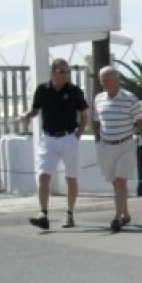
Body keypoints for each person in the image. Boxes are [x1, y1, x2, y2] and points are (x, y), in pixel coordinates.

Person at [21, 58, 90, 230]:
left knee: (71, 177)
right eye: (62, 72)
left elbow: (84, 115)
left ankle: (69, 214)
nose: (66, 75)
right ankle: (43, 213)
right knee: (43, 175)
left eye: (68, 72)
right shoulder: (43, 90)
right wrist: (27, 115)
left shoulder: (74, 91)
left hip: (68, 137)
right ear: (53, 73)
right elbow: (36, 110)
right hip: (49, 138)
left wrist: (79, 133)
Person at [92, 66, 142, 232]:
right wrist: (98, 140)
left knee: (120, 180)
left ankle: (117, 217)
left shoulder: (130, 99)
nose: (103, 83)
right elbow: (97, 120)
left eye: (107, 80)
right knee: (114, 181)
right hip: (106, 146)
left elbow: (141, 123)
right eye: (102, 80)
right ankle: (125, 213)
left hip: (125, 144)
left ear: (116, 80)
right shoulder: (99, 99)